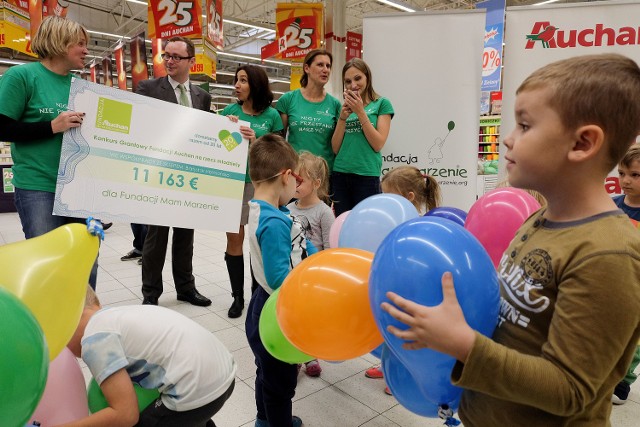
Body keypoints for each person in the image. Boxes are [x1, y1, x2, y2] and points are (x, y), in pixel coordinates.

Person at [381, 54, 640, 426]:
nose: (507, 139)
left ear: (582, 143)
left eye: (523, 125)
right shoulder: (539, 219)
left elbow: (570, 389)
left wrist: (463, 344)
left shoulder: (609, 254)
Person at [0, 16, 100, 289]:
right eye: (80, 43)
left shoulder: (81, 86)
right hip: (38, 187)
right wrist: (51, 127)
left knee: (86, 259)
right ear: (60, 42)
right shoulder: (22, 77)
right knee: (48, 263)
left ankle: (84, 324)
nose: (86, 50)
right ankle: (51, 328)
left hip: (79, 188)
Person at [61, 286, 236, 426]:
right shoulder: (117, 316)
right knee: (187, 417)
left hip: (196, 390)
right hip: (224, 374)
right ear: (96, 303)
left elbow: (126, 415)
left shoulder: (94, 339)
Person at [245, 134, 316, 427]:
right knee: (280, 383)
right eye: (296, 179)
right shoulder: (274, 223)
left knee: (266, 373)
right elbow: (278, 278)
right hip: (276, 311)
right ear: (286, 176)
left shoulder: (260, 210)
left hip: (260, 305)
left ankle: (264, 420)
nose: (296, 187)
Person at [137, 36, 211, 307]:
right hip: (159, 174)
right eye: (166, 55)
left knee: (185, 236)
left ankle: (185, 288)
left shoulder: (202, 96)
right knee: (156, 238)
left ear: (191, 61)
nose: (169, 60)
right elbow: (141, 127)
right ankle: (151, 294)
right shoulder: (148, 88)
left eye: (176, 57)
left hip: (188, 176)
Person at [365, 166, 443, 393]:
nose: (384, 201)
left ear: (409, 197)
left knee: (404, 332)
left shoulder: (421, 225)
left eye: (389, 196)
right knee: (388, 328)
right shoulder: (391, 221)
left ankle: (402, 372)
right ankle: (386, 363)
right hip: (392, 284)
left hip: (412, 289)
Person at [220, 64, 283, 319]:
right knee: (234, 238)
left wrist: (256, 140)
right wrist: (227, 128)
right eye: (236, 80)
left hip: (262, 184)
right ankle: (237, 296)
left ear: (255, 84)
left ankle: (259, 292)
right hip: (233, 182)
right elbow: (221, 146)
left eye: (242, 80)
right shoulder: (229, 112)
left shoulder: (272, 116)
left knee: (259, 241)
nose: (237, 85)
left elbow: (279, 151)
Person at [286, 151, 334, 377]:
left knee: (311, 318)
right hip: (293, 273)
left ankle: (310, 354)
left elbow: (329, 248)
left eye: (300, 180)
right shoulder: (288, 208)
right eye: (292, 178)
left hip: (315, 276)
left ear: (316, 183)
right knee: (294, 315)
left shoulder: (324, 212)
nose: (294, 184)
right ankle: (296, 354)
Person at [331, 58, 394, 217]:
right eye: (348, 81)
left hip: (366, 175)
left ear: (367, 77)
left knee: (366, 224)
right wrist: (342, 118)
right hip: (340, 173)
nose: (353, 85)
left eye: (358, 78)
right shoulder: (344, 106)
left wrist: (360, 112)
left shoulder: (382, 104)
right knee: (342, 223)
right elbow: (335, 148)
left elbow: (378, 144)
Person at [276, 49, 341, 173]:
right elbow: (279, 141)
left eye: (328, 66)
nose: (325, 69)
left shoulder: (335, 105)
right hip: (295, 172)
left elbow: (337, 145)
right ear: (307, 68)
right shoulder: (288, 99)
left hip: (325, 175)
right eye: (320, 65)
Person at [612, 143, 640, 405]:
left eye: (635, 175)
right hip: (611, 281)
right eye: (622, 174)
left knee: (634, 338)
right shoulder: (611, 205)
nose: (626, 181)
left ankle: (623, 381)